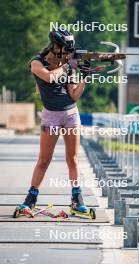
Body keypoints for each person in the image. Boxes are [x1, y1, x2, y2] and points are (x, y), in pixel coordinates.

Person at [14, 27, 91, 216]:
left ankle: (77, 199)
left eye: (68, 50)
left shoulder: (67, 64)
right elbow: (48, 78)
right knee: (44, 160)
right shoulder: (36, 62)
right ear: (55, 45)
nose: (66, 53)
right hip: (51, 116)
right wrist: (67, 66)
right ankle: (30, 199)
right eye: (64, 49)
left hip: (70, 114)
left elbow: (74, 96)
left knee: (72, 159)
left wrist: (84, 77)